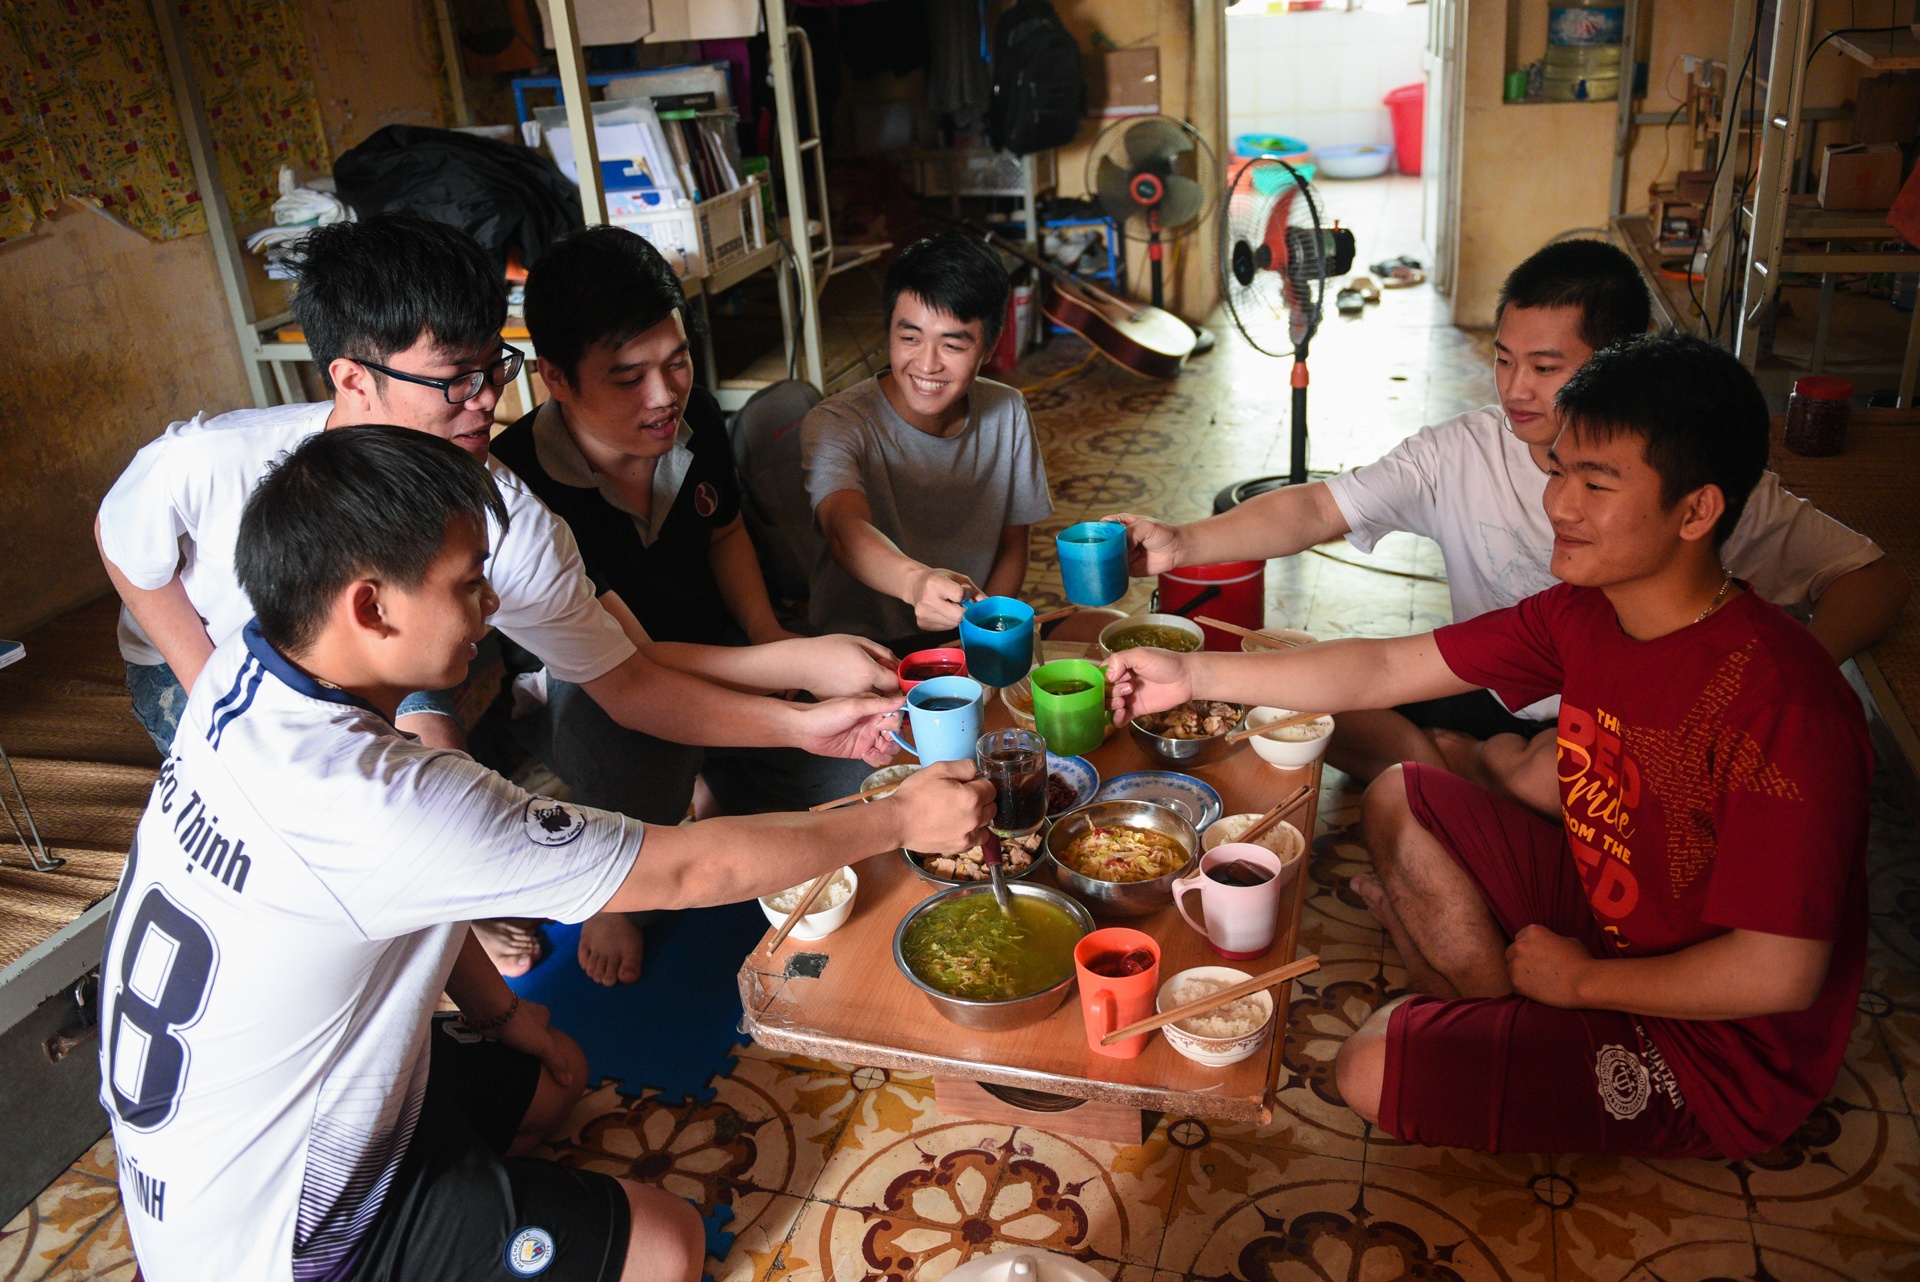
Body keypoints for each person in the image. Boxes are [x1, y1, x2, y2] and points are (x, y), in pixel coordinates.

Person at [99, 425, 992, 1282]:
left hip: (211, 1146)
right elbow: (689, 869)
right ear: (369, 604)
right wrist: (896, 819)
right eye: (467, 583)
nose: (491, 606)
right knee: (668, 1247)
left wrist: (499, 1015)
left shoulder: (237, 676)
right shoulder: (388, 801)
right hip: (281, 1241)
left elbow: (399, 895)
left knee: (551, 1085)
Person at [1104, 335, 1870, 1161]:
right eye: (1558, 472)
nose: (1560, 506)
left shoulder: (1785, 705)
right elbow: (1387, 665)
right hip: (1608, 918)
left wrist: (1581, 982)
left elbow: (1777, 974)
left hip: (1721, 1051)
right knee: (1400, 789)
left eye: (1596, 483)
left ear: (1696, 511)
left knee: (1372, 1064)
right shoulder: (1587, 613)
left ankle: (1516, 1012)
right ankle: (1516, 1017)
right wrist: (1189, 672)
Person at [95, 213, 903, 986]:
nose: (486, 399)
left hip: (375, 658)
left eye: (494, 369)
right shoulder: (212, 463)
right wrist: (211, 696)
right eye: (455, 382)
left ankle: (461, 917)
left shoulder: (510, 516)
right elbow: (126, 545)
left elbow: (628, 683)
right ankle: (443, 921)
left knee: (429, 771)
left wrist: (802, 725)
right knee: (295, 846)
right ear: (351, 377)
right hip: (210, 652)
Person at [1111, 240, 1907, 793]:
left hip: (1626, 724)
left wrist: (1780, 679)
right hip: (1481, 686)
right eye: (1503, 360)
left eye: (1546, 367)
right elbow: (1324, 514)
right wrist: (1181, 547)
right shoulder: (1468, 465)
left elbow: (1870, 578)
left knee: (1432, 777)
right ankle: (1476, 772)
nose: (1516, 390)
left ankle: (1463, 776)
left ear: (1616, 367)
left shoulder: (1695, 482)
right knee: (1313, 694)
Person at [494, 225, 877, 816]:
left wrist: (766, 633)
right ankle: (678, 799)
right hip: (601, 690)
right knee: (634, 756)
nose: (663, 397)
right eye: (628, 378)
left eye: (677, 363)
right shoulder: (523, 491)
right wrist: (789, 665)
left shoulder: (690, 416)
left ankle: (722, 779)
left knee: (872, 781)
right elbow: (629, 663)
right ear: (557, 377)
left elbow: (725, 532)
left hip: (714, 650)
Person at [802, 230, 1054, 653]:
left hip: (968, 634)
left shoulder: (1007, 411)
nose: (927, 364)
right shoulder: (836, 423)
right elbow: (845, 529)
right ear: (888, 333)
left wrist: (983, 632)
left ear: (989, 347)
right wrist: (916, 582)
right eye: (910, 338)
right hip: (860, 646)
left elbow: (1014, 544)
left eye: (952, 344)